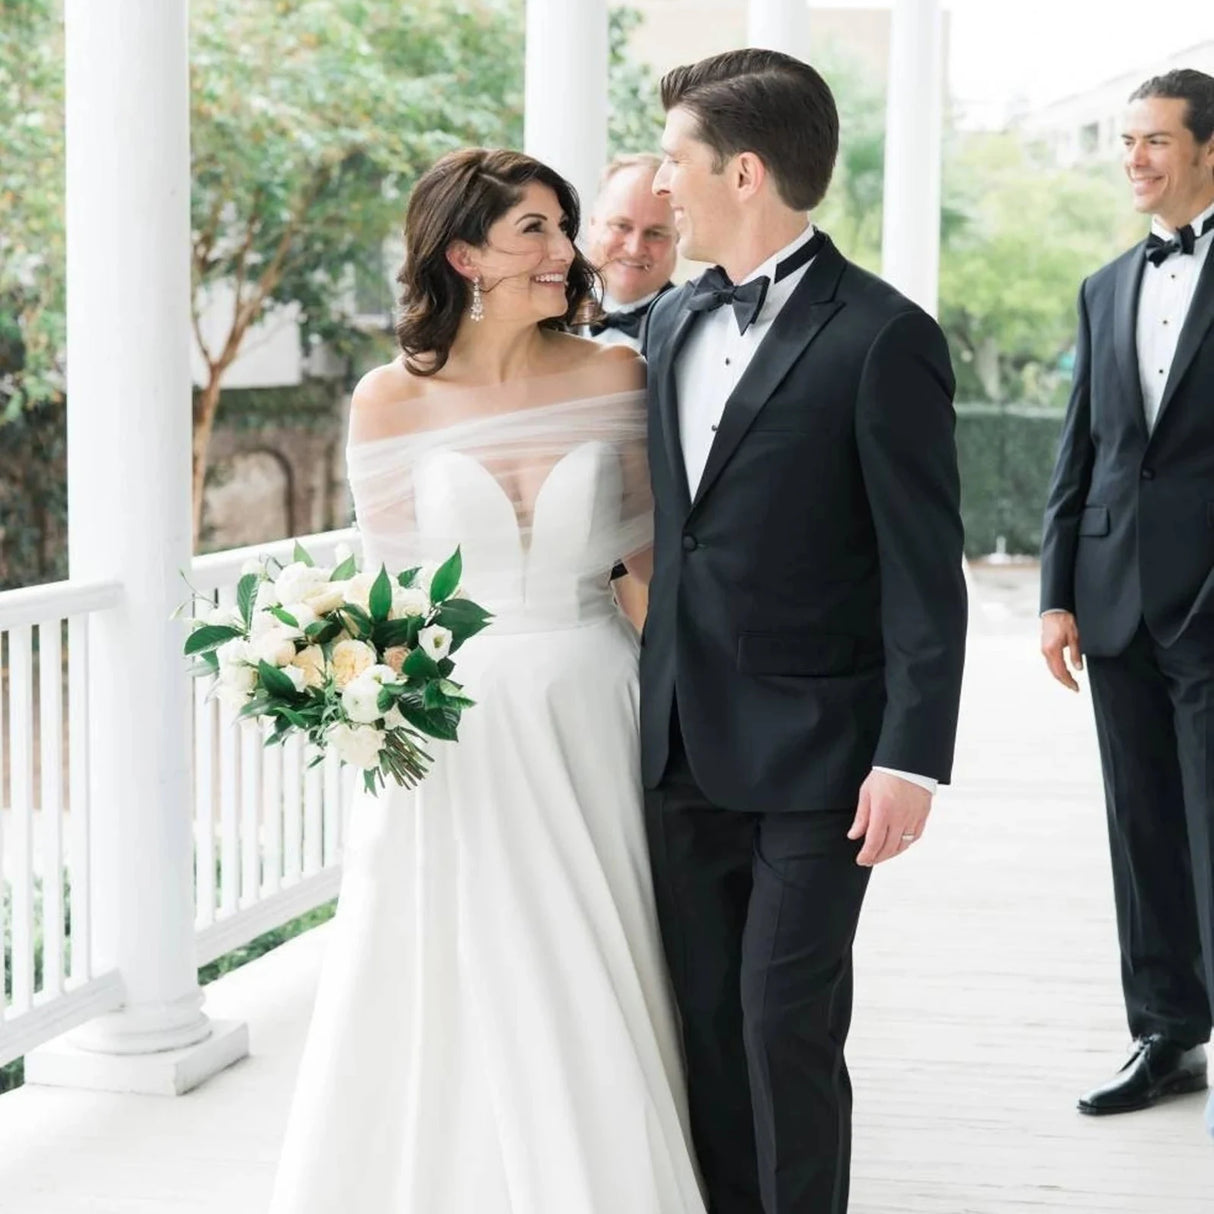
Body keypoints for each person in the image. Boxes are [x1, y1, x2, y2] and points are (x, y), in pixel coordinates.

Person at [269, 147, 706, 1213]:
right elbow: (382, 599)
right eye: (536, 231)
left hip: (592, 707)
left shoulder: (616, 373)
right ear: (462, 253)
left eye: (566, 227)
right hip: (448, 733)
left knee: (591, 965)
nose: (571, 249)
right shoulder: (387, 401)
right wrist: (347, 692)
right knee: (453, 977)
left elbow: (654, 568)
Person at [640, 50, 967, 1214]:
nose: (657, 181)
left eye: (672, 158)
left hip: (821, 753)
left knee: (785, 1020)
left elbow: (925, 572)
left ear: (740, 169)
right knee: (708, 1026)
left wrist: (910, 753)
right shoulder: (667, 320)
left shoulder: (883, 336)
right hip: (678, 744)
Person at [1040, 69, 1214, 1137]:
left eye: (1153, 141)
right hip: (1112, 602)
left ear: (1206, 150)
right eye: (1125, 142)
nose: (1133, 160)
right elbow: (1083, 450)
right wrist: (1056, 592)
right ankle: (1164, 1031)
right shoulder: (1104, 284)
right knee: (1139, 823)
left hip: (1208, 598)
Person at [583, 153, 678, 351]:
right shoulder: (543, 315)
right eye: (621, 226)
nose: (634, 249)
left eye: (655, 233)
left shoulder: (700, 327)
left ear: (678, 237)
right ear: (592, 224)